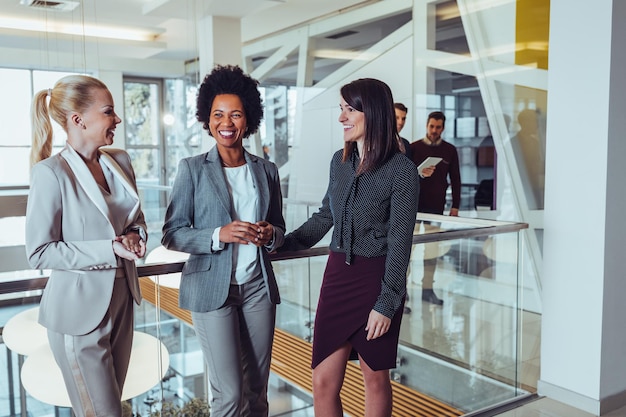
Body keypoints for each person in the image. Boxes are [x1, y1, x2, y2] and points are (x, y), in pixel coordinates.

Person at [279, 78, 419, 417]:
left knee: (374, 378)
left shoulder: (401, 171)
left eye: (349, 109)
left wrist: (386, 304)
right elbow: (326, 215)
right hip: (337, 276)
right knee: (323, 381)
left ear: (372, 113)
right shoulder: (338, 162)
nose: (342, 117)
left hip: (377, 280)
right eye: (341, 109)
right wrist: (283, 245)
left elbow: (401, 243)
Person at [161, 64, 285, 417]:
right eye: (218, 115)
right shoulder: (192, 168)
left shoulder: (266, 170)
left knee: (258, 392)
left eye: (235, 115)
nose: (226, 123)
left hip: (258, 287)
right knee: (229, 396)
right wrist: (219, 234)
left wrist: (269, 234)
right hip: (213, 290)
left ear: (248, 120)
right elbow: (171, 233)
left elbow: (279, 227)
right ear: (207, 118)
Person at [25, 75, 147, 417]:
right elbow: (39, 252)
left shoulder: (119, 161)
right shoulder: (51, 173)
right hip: (78, 316)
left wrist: (136, 235)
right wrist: (110, 248)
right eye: (109, 112)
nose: (117, 119)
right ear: (78, 120)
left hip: (123, 301)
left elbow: (134, 219)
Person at [410, 111, 461, 305]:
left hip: (436, 208)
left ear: (443, 128)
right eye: (431, 126)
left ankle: (427, 289)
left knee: (432, 251)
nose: (434, 130)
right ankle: (401, 296)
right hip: (413, 207)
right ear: (426, 125)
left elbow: (455, 178)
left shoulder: (449, 150)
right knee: (408, 251)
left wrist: (455, 205)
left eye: (438, 127)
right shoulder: (413, 148)